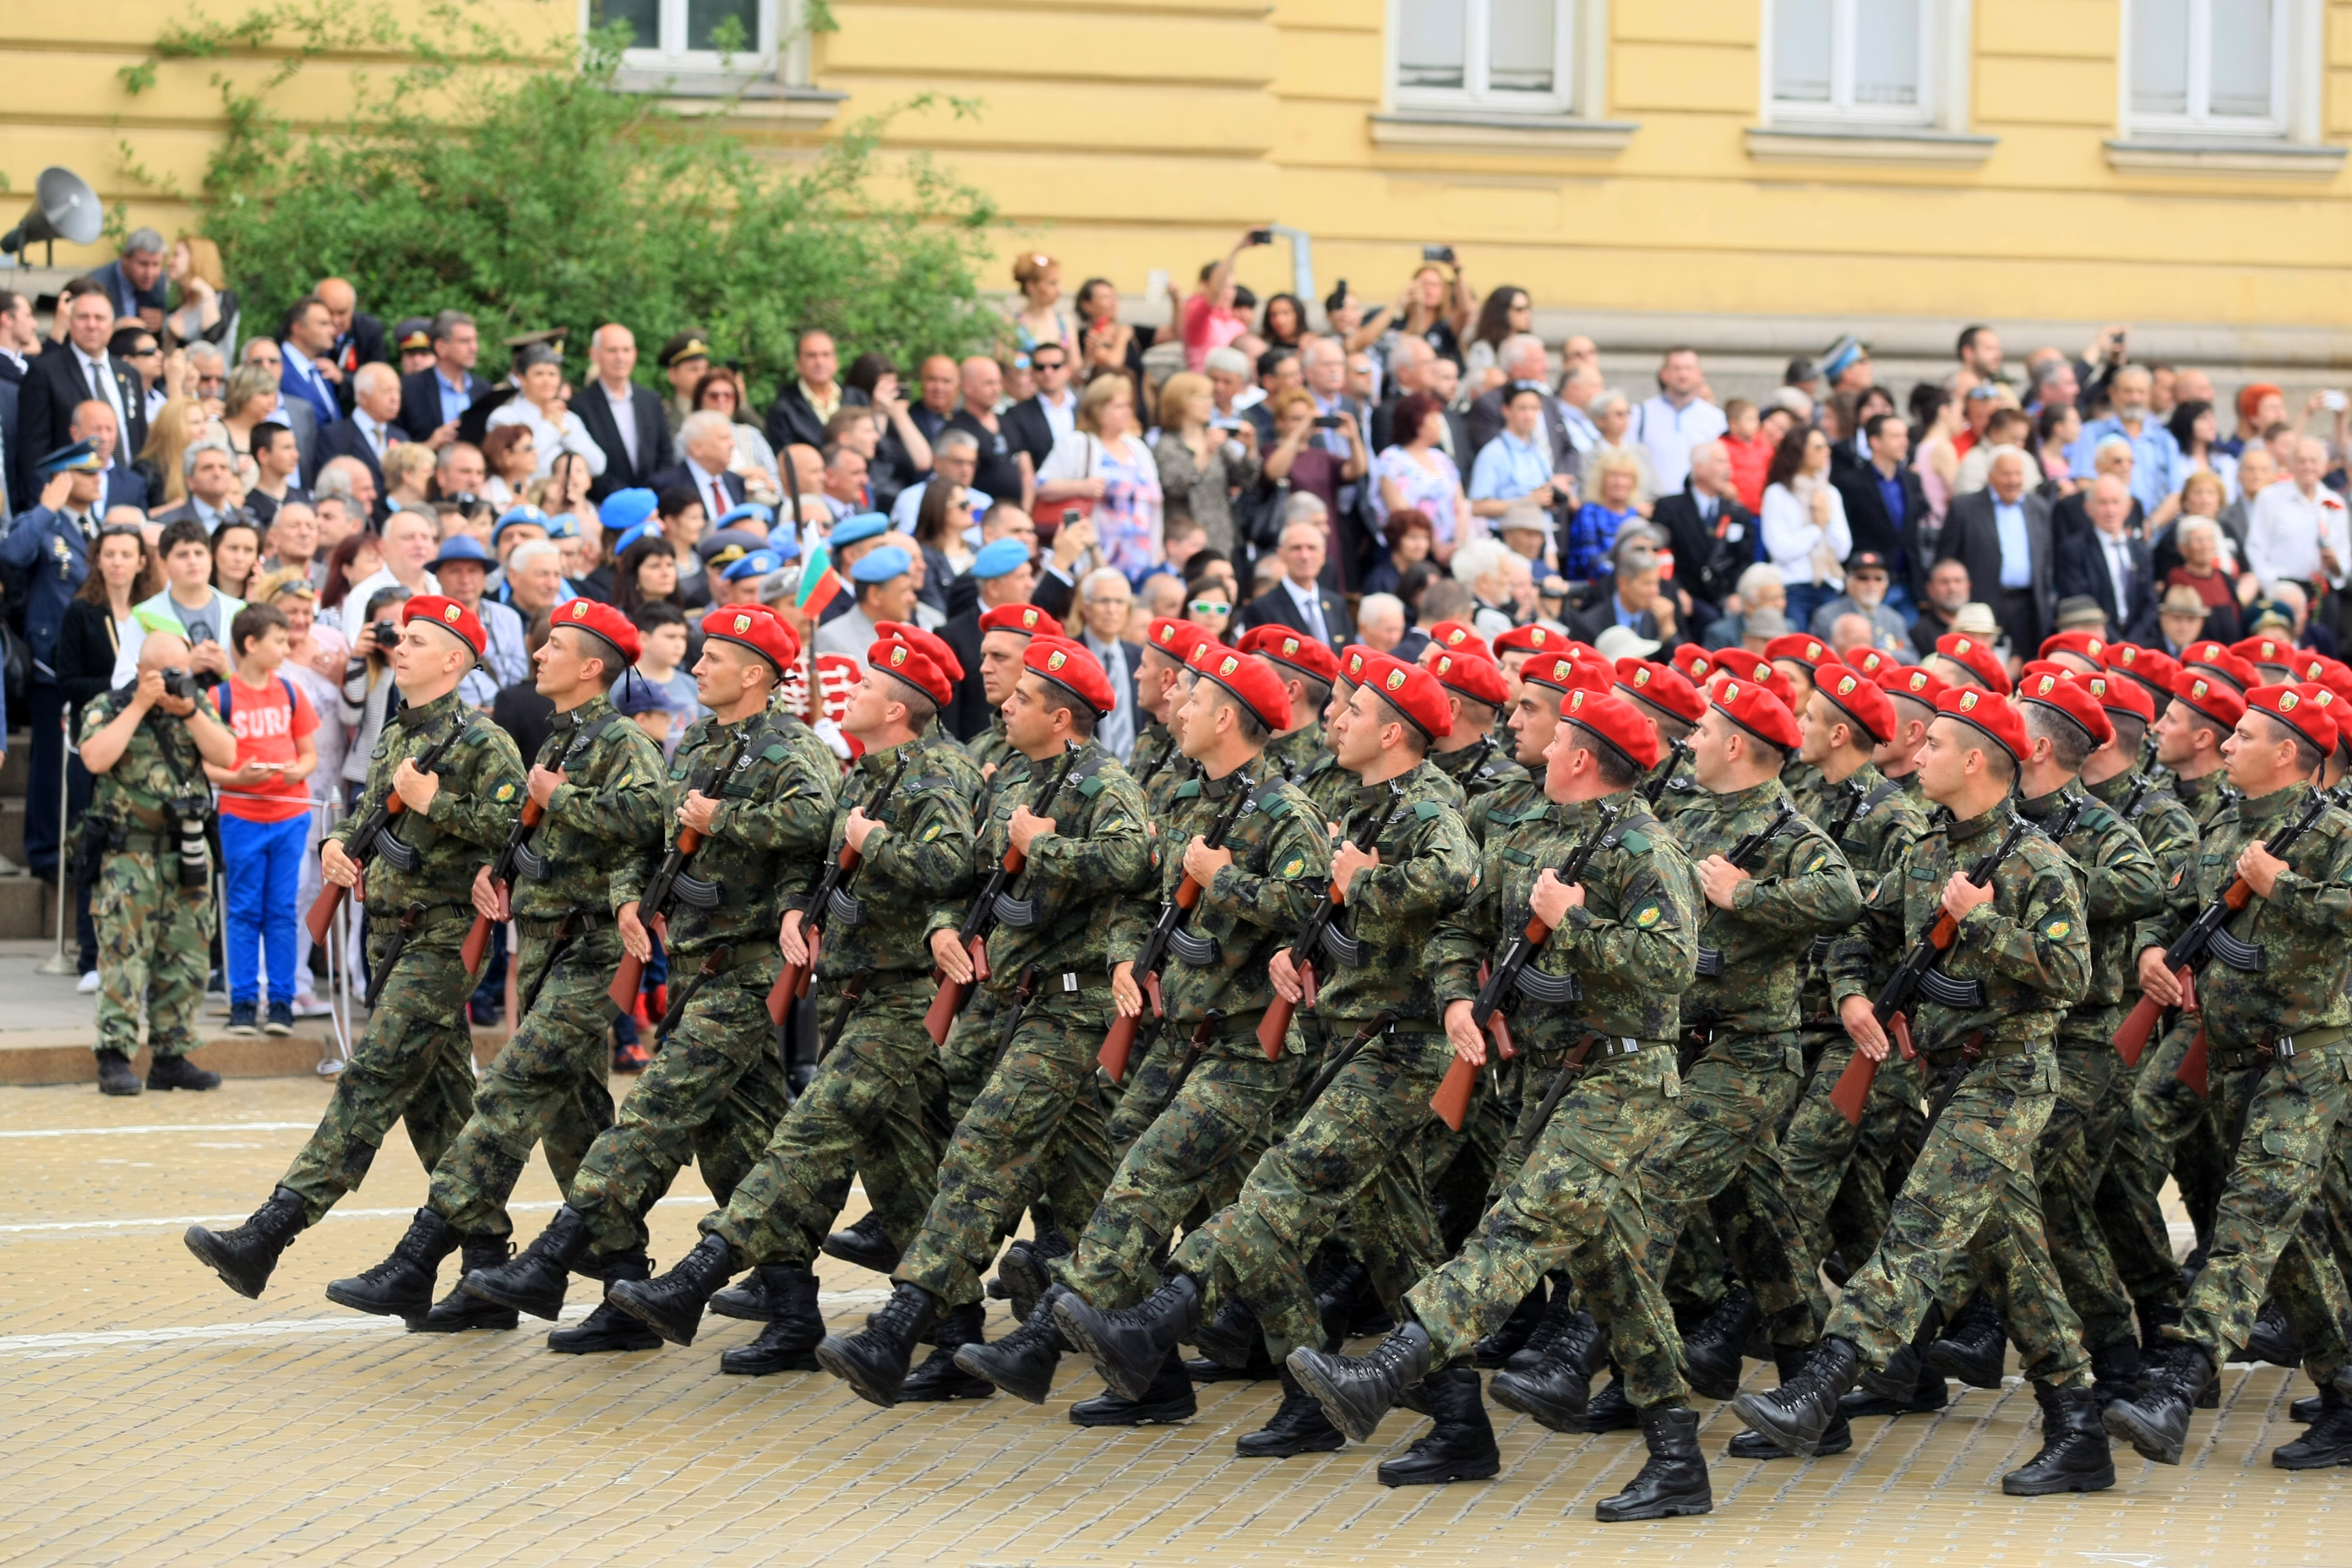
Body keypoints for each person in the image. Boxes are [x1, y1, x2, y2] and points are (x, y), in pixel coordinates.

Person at [1286, 682, 1712, 1517]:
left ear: (1585, 758)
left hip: (1622, 1079)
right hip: (1546, 1080)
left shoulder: (1645, 850)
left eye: (1557, 741)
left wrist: (1577, 922)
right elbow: (1459, 927)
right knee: (1613, 1270)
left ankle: (1386, 1372)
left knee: (1518, 1227)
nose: (1541, 747)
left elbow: (1671, 968)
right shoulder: (1533, 835)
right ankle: (1676, 1455)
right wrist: (1454, 998)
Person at [1050, 655, 1475, 1446]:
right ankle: (1451, 1417)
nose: (1335, 720)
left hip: (1399, 1049)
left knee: (1275, 1194)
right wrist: (1307, 951)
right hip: (1347, 1040)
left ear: (1392, 731)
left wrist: (1348, 886)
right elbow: (1327, 907)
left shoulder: (1426, 808)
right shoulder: (1357, 803)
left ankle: (1151, 1317)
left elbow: (1453, 887)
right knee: (1398, 1243)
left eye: (1353, 709)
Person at [1733, 689, 2099, 1498]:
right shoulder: (1927, 850)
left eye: (1933, 744)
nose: (1916, 754)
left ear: (1976, 761)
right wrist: (1855, 996)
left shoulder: (2037, 863)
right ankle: (2079, 1427)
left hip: (2009, 1076)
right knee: (2016, 1260)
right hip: (1949, 1075)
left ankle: (1823, 1382)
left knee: (1919, 1226)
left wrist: (1980, 924)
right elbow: (1856, 933)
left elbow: (2074, 977)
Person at [953, 642, 1328, 1421]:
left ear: (1227, 717)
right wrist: (1130, 959)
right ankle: (1209, 1384)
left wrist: (1222, 877)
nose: (1175, 710)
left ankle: (1045, 1346)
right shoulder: (1192, 799)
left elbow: (1313, 913)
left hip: (1246, 1045)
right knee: (1205, 1206)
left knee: (1149, 1183)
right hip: (1178, 1035)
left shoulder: (1286, 812)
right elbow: (1144, 899)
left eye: (1191, 701)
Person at [320, 598, 671, 1339]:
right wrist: (504, 874)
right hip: (545, 946)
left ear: (594, 667)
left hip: (593, 951)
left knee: (506, 1092)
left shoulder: (620, 743)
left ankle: (420, 1255)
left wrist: (560, 800)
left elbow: (649, 825)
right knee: (576, 1126)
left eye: (556, 647)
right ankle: (626, 1290)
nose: (537, 655)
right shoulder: (556, 742)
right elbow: (538, 833)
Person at [185, 595, 525, 1297]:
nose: (399, 648)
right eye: (400, 638)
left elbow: (518, 836)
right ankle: (487, 1266)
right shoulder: (399, 734)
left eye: (419, 641)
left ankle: (268, 1235)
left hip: (445, 939)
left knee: (370, 1084)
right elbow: (367, 819)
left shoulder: (481, 743)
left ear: (455, 661)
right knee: (441, 1109)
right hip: (392, 939)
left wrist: (438, 805)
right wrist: (336, 847)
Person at [2106, 685, 2352, 1473]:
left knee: (2249, 1218)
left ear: (2288, 753)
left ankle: (2179, 1381)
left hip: (2307, 1059)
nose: (2227, 744)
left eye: (2244, 735)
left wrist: (2289, 888)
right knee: (2294, 1240)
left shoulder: (2336, 831)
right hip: (2231, 1059)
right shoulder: (2220, 826)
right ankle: (2347, 1393)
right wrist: (2151, 951)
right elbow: (2165, 901)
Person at [76, 627, 242, 1094]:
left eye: (181, 671)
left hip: (185, 851)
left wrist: (189, 712)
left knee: (186, 955)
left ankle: (171, 1055)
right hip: (128, 855)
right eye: (164, 672)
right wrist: (139, 705)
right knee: (124, 958)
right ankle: (114, 1055)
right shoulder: (108, 707)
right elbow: (94, 758)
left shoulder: (195, 704)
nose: (173, 679)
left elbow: (227, 754)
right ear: (143, 671)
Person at [205, 602, 321, 1036]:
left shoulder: (290, 692)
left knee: (281, 910)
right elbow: (207, 765)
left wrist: (296, 771)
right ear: (250, 644)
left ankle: (281, 1003)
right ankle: (242, 1001)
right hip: (242, 815)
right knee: (243, 908)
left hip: (290, 815)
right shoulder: (221, 697)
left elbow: (309, 754)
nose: (286, 647)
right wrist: (237, 777)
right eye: (278, 640)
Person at [1, 444, 110, 885]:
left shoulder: (98, 525)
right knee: (50, 765)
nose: (97, 478)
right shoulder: (42, 523)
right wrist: (48, 506)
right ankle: (45, 851)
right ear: (62, 477)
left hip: (96, 663)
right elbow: (12, 557)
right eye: (85, 473)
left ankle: (82, 845)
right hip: (51, 664)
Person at [16, 287, 147, 510]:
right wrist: (43, 508)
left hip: (125, 496)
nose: (92, 325)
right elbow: (33, 452)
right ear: (70, 322)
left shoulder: (129, 373)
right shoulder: (45, 372)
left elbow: (137, 437)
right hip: (70, 503)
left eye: (100, 318)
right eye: (83, 317)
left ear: (112, 324)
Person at [1038, 374, 1162, 579]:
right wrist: (1081, 488)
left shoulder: (1137, 447)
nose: (1127, 412)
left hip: (1141, 562)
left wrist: (1157, 550)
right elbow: (1041, 485)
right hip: (1096, 560)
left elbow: (1155, 502)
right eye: (1118, 406)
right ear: (1098, 409)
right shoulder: (1078, 444)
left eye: (1128, 406)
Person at [1937, 447, 2055, 657]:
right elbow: (1947, 559)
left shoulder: (2039, 508)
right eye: (2006, 474)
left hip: (2028, 605)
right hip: (1983, 604)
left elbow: (2046, 559)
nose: (2013, 480)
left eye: (2018, 474)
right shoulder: (1965, 507)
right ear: (1990, 476)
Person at [1153, 370, 1261, 561]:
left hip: (1223, 537)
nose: (1209, 403)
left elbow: (1244, 479)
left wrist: (1250, 450)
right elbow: (1174, 486)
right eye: (1202, 398)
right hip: (1186, 542)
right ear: (1181, 402)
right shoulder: (1167, 445)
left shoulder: (1213, 439)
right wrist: (1205, 455)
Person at [572, 324, 675, 502]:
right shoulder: (579, 406)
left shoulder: (651, 400)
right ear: (594, 354)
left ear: (635, 353)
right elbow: (588, 466)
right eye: (612, 350)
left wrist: (651, 494)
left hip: (653, 502)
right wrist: (628, 499)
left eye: (626, 350)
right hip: (606, 505)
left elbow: (665, 455)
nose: (620, 357)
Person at [2054, 474, 2159, 644]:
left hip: (2137, 645)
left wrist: (2132, 643)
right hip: (2095, 643)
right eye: (2103, 503)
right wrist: (2117, 642)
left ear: (2128, 507)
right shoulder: (2074, 550)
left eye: (2116, 502)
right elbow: (2081, 599)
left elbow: (2150, 603)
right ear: (2088, 508)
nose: (2110, 510)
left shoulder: (2141, 551)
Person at [2246, 437, 2350, 600]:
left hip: (2322, 591)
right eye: (2301, 461)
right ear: (2291, 464)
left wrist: (2336, 564)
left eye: (2313, 461)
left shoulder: (2335, 502)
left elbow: (2344, 553)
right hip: (2282, 589)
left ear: (2324, 466)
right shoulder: (2269, 497)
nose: (2308, 466)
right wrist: (2270, 584)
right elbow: (2255, 547)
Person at [487, 344, 605, 483]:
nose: (547, 381)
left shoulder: (569, 419)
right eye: (539, 374)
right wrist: (551, 427)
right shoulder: (504, 417)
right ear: (522, 379)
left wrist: (565, 432)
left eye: (552, 374)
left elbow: (598, 465)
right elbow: (513, 463)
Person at [2070, 365, 2179, 514]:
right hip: (2110, 525)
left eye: (2141, 392)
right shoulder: (2092, 433)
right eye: (2128, 391)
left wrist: (2151, 525)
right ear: (2113, 394)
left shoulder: (2165, 440)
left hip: (2156, 530)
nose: (2135, 398)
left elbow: (2176, 493)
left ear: (2150, 395)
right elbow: (2085, 483)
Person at [1373, 392, 1471, 556]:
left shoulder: (1442, 459)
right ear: (1417, 422)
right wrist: (1435, 546)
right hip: (1412, 552)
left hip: (1451, 551)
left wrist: (1457, 546)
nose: (1440, 425)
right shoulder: (1391, 459)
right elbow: (1401, 511)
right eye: (1434, 419)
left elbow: (1460, 506)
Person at [1239, 516, 1355, 650]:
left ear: (1323, 555)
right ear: (1281, 554)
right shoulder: (1261, 608)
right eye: (1296, 548)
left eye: (1312, 548)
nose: (1305, 556)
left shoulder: (1337, 604)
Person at [1632, 347, 1728, 497]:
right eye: (1676, 369)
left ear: (1699, 375)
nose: (1683, 374)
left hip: (1696, 509)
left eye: (1688, 369)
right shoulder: (1640, 413)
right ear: (1664, 374)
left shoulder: (1716, 418)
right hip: (1652, 503)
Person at [340, 508, 440, 642]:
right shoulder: (363, 595)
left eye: (425, 537)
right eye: (408, 537)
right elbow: (357, 653)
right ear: (383, 547)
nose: (419, 545)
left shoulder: (442, 586)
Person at [1075, 566, 1143, 761]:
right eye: (1104, 601)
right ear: (1086, 607)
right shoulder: (1071, 655)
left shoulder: (1139, 657)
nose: (1112, 610)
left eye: (1119, 602)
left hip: (1134, 768)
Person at [395, 310, 490, 448]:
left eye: (475, 340)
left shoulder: (483, 388)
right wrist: (430, 445)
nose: (474, 348)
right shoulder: (409, 389)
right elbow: (393, 448)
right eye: (465, 341)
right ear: (441, 347)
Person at [85, 228, 168, 333]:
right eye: (143, 264)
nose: (149, 274)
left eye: (156, 265)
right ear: (125, 258)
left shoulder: (159, 282)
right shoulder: (97, 283)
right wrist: (116, 326)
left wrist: (162, 321)